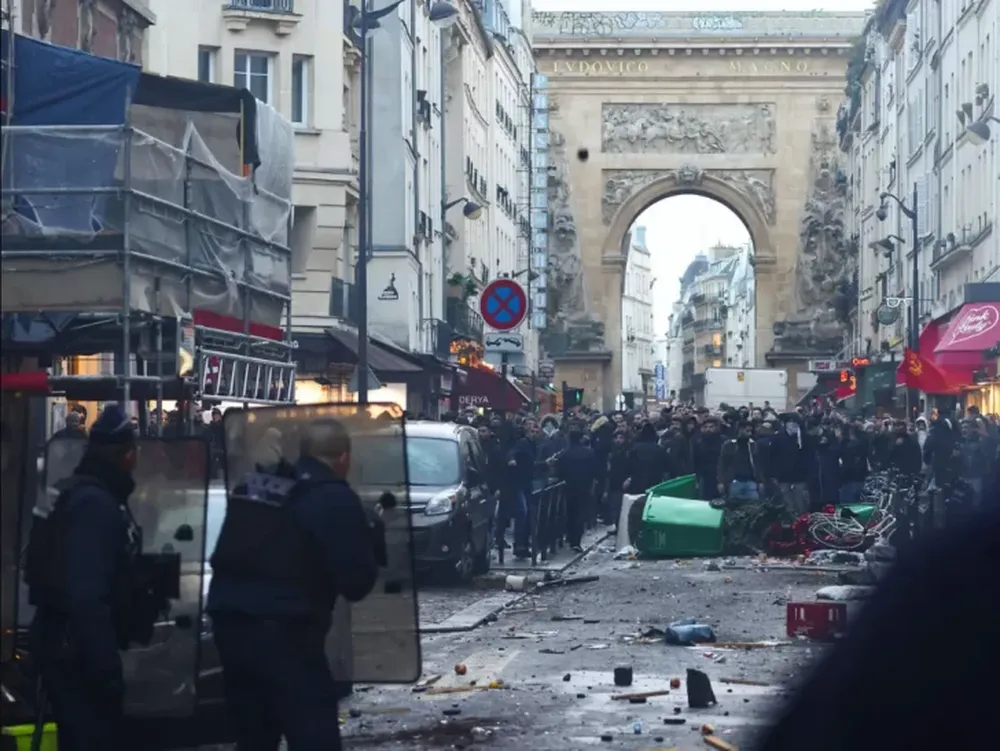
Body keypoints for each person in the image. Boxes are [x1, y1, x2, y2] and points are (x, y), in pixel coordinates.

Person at [207, 417, 381, 751]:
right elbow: (357, 583)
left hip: (231, 630)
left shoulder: (256, 486)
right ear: (343, 458)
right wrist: (369, 541)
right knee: (315, 736)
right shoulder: (333, 497)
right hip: (287, 636)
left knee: (254, 737)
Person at [25, 404, 141, 751]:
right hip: (76, 653)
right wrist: (106, 670)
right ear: (124, 455)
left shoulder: (67, 490)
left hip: (57, 642)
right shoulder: (95, 504)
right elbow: (86, 597)